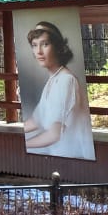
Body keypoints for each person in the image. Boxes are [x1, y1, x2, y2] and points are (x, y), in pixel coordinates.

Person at [23, 21, 93, 159]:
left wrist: (23, 144)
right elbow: (37, 121)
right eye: (34, 45)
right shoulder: (53, 80)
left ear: (58, 47)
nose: (39, 51)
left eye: (45, 44)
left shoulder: (65, 80)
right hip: (58, 156)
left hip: (73, 157)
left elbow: (54, 134)